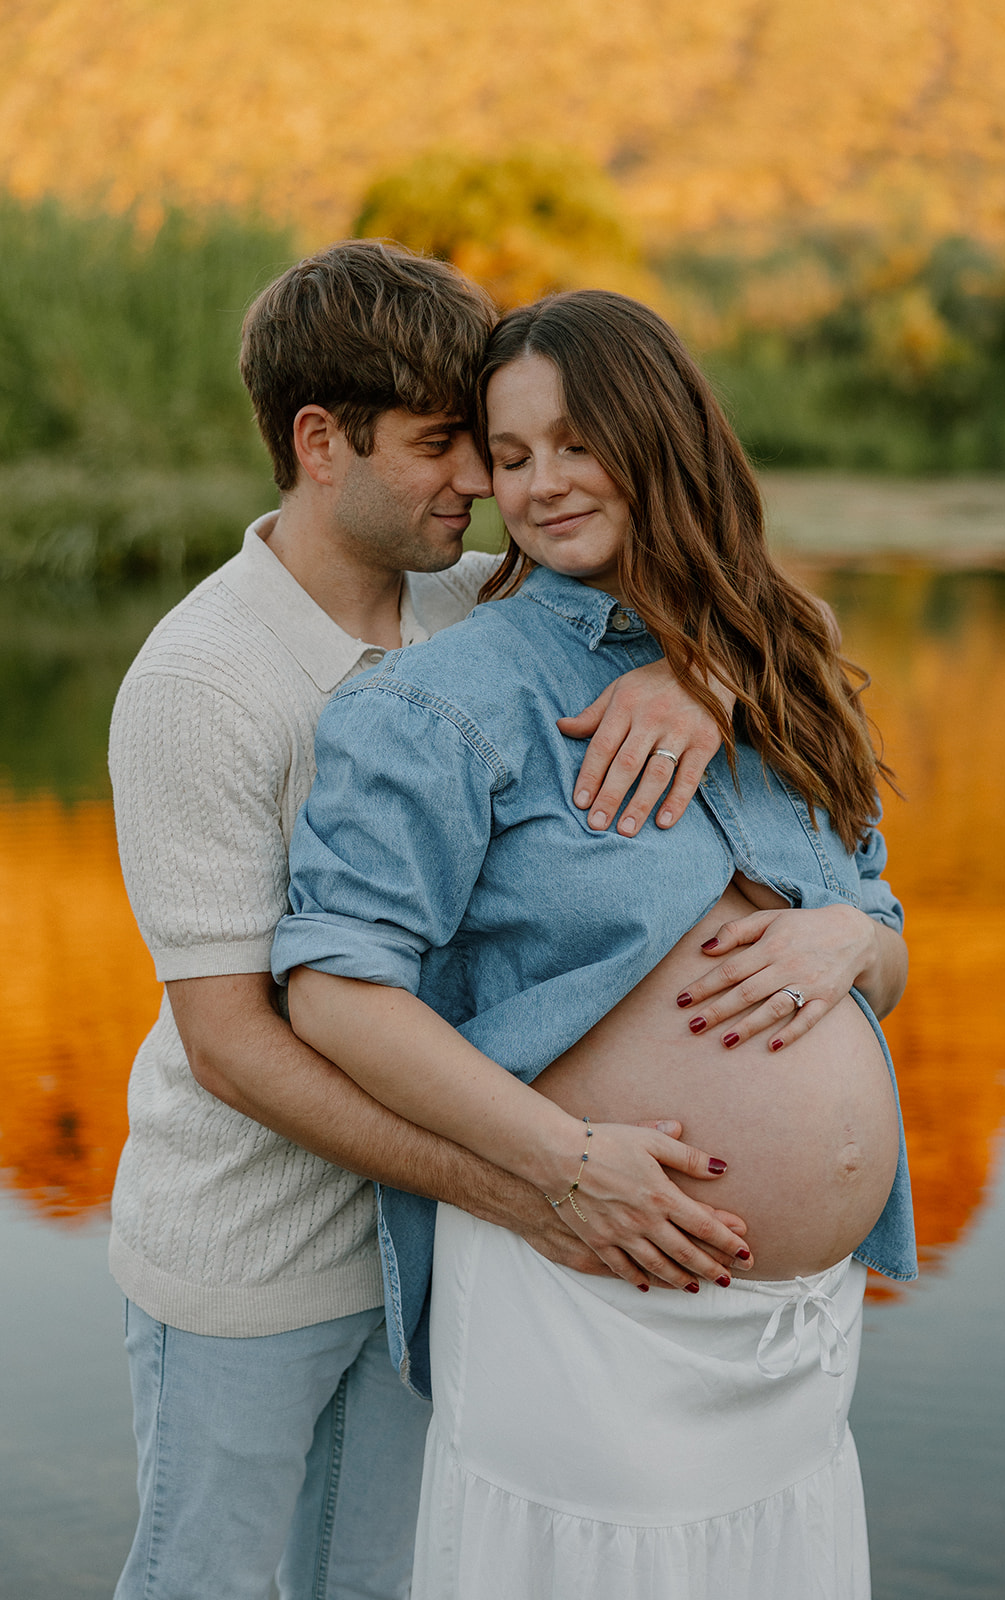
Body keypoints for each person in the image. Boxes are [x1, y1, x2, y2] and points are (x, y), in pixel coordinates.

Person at [106, 244, 749, 1600]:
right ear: (320, 440)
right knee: (203, 1580)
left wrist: (705, 678)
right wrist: (535, 1184)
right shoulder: (199, 684)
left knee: (379, 1579)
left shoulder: (478, 604)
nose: (484, 483)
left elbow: (750, 599)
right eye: (447, 445)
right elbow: (231, 1043)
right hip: (258, 1256)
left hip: (434, 1249)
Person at [272, 289, 919, 1600]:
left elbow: (891, 942)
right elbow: (337, 997)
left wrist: (846, 939)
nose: (542, 485)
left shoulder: (779, 667)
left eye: (576, 442)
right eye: (510, 458)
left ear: (662, 433)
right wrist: (568, 1170)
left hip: (797, 1341)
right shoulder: (446, 699)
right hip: (593, 1303)